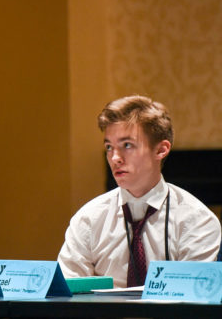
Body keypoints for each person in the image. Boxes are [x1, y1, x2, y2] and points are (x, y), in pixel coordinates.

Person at [58, 95, 221, 288]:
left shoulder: (197, 221)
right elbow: (68, 298)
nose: (115, 158)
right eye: (109, 147)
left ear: (161, 150)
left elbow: (194, 304)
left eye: (127, 145)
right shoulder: (88, 219)